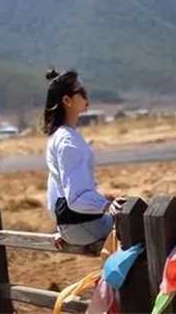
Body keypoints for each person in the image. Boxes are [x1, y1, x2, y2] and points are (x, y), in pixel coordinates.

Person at [43, 68, 125, 248]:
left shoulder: (57, 136)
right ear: (67, 100)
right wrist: (106, 205)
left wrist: (61, 228)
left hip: (70, 226)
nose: (86, 95)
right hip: (83, 225)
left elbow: (55, 191)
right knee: (137, 223)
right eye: (81, 91)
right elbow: (76, 197)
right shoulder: (69, 141)